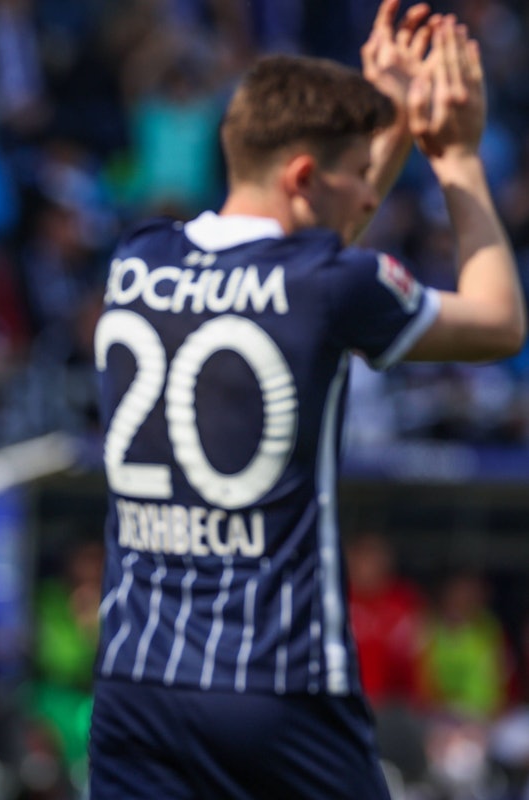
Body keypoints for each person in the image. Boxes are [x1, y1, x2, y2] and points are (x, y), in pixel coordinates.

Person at [87, 0, 527, 797]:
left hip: (134, 686)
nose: (368, 198)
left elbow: (302, 262)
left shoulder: (136, 258)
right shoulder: (330, 284)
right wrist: (457, 158)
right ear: (300, 177)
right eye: (357, 175)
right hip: (276, 684)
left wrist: (386, 116)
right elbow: (497, 322)